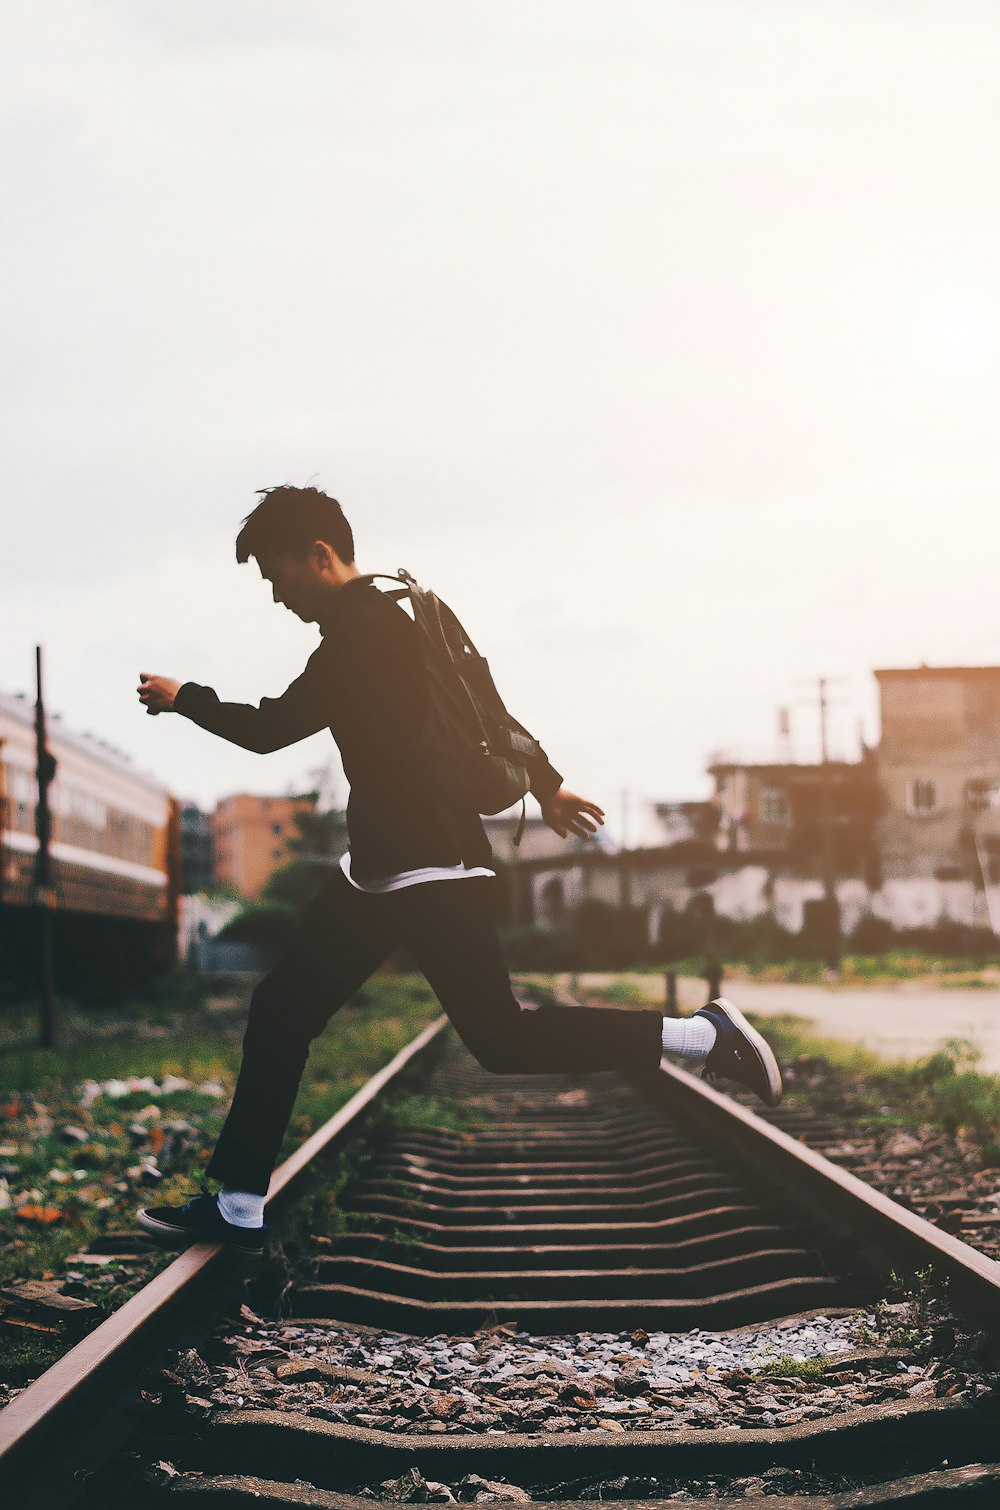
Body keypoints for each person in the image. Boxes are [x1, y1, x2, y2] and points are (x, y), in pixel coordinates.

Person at [136, 485, 781, 1253]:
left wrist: (187, 700)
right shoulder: (408, 612)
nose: (278, 597)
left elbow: (272, 729)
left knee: (501, 1039)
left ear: (320, 555)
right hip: (384, 869)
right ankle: (239, 1204)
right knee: (283, 1011)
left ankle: (705, 1037)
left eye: (279, 577)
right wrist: (544, 782)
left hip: (428, 867)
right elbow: (485, 702)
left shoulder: (360, 633)